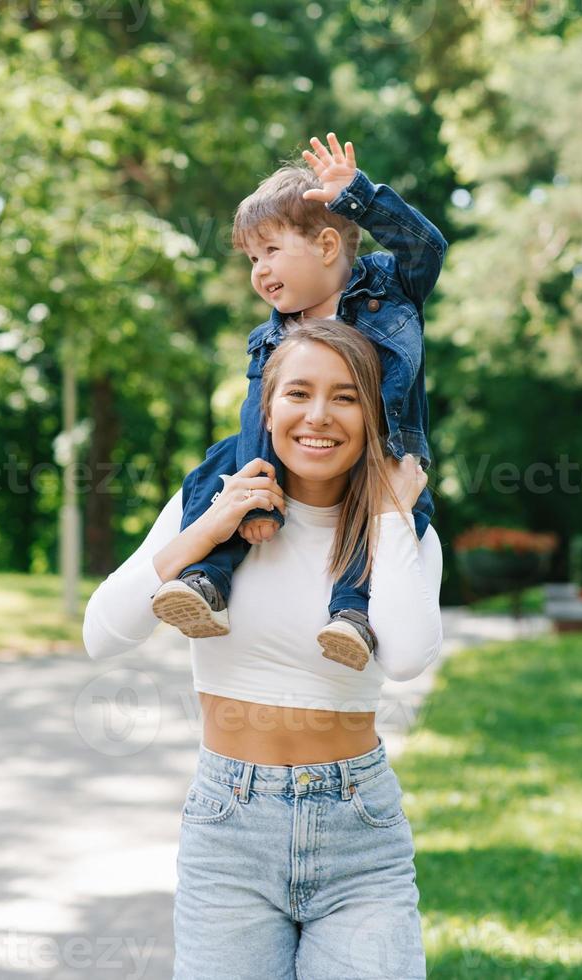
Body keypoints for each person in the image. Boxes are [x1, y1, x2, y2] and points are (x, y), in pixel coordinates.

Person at [83, 318, 443, 979]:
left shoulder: (401, 528)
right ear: (267, 407)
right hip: (229, 828)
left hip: (358, 831)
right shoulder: (209, 509)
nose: (318, 416)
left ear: (372, 414)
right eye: (298, 393)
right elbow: (102, 635)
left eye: (345, 396)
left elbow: (408, 657)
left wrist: (391, 517)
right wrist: (210, 525)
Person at [150, 132, 448, 671]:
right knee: (219, 464)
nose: (258, 270)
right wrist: (256, 499)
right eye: (251, 258)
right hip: (298, 457)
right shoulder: (271, 338)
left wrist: (359, 195)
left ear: (329, 246)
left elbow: (426, 248)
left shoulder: (390, 288)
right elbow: (258, 419)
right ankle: (206, 581)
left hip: (379, 453)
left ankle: (352, 617)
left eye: (270, 251)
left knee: (396, 503)